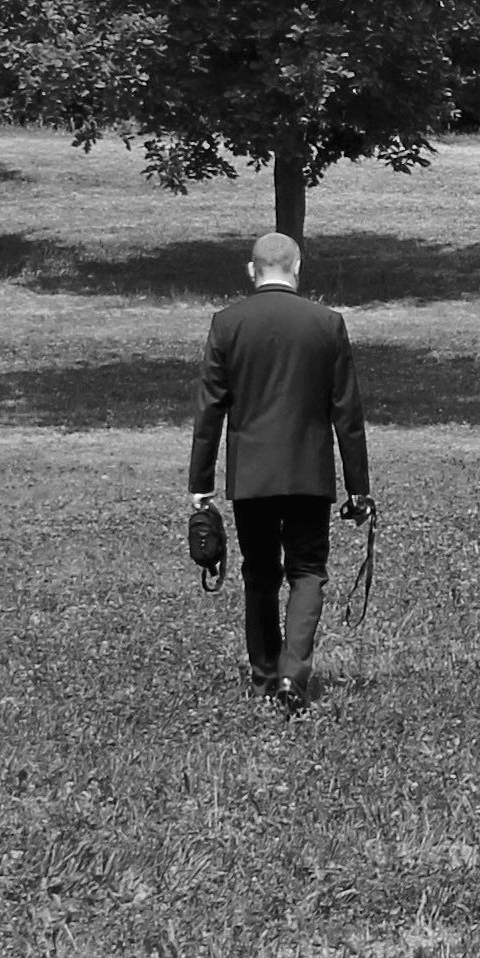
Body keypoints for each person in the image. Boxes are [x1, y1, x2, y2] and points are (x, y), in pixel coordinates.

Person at [184, 231, 371, 709]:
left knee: (261, 573)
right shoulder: (327, 323)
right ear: (297, 266)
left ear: (252, 270)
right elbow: (346, 412)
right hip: (309, 472)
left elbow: (209, 410)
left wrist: (200, 485)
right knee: (308, 571)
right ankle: (295, 672)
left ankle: (266, 674)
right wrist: (358, 488)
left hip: (252, 474)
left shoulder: (227, 324)